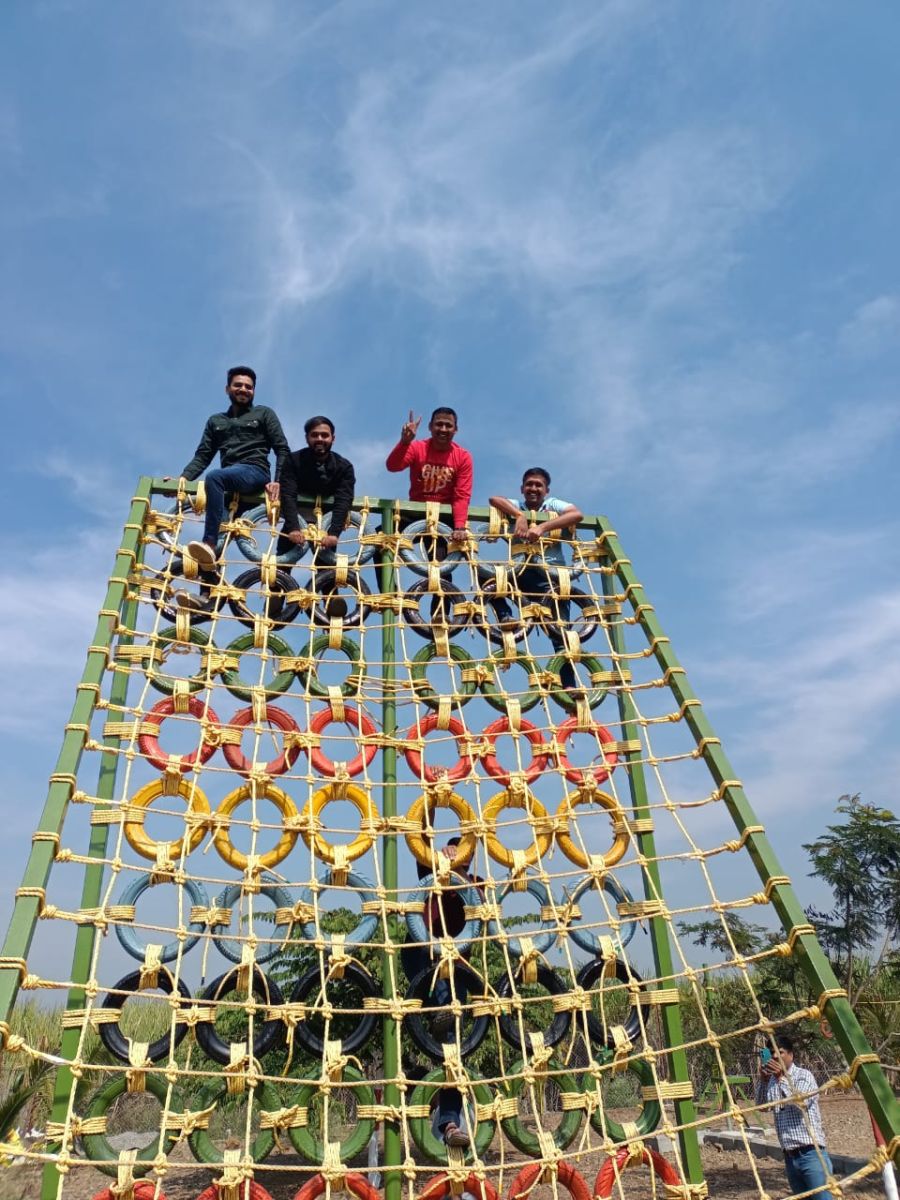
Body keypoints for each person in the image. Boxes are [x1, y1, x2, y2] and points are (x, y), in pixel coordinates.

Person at [401, 837, 480, 1149]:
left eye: (469, 851)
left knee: (452, 1046)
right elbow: (420, 832)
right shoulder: (432, 871)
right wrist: (441, 860)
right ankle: (436, 1013)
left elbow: (482, 904)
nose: (464, 855)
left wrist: (458, 873)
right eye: (458, 849)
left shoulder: (477, 884)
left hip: (455, 967)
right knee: (442, 1016)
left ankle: (448, 1123)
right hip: (422, 956)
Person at [175, 366, 290, 570]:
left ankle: (208, 542)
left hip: (255, 472)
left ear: (253, 391)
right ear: (227, 389)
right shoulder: (216, 421)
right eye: (238, 385)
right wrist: (183, 478)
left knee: (214, 478)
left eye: (248, 387)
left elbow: (282, 449)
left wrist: (278, 481)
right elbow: (203, 455)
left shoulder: (263, 413)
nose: (243, 389)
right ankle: (208, 580)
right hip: (230, 482)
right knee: (216, 545)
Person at [487, 468, 583, 688]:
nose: (533, 488)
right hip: (521, 572)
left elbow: (576, 514)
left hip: (551, 576)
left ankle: (569, 686)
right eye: (529, 484)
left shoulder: (552, 505)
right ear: (522, 489)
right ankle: (505, 617)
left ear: (546, 490)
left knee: (560, 633)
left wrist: (542, 527)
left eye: (538, 485)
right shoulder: (517, 506)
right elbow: (494, 499)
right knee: (490, 581)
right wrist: (519, 516)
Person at [756, 1035, 832, 1199]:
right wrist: (763, 1081)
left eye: (780, 1052)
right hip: (790, 1157)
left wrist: (780, 1078)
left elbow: (800, 1104)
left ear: (791, 1054)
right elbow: (762, 1106)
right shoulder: (772, 1081)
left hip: (811, 1154)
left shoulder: (803, 1076)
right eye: (771, 1052)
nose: (775, 1056)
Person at [385, 408, 473, 544]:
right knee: (381, 540)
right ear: (430, 427)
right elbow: (393, 466)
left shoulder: (463, 457)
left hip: (444, 517)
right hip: (415, 514)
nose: (443, 429)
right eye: (439, 424)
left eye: (448, 425)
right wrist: (404, 442)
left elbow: (462, 495)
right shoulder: (417, 448)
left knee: (442, 556)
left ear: (455, 429)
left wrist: (460, 527)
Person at [270, 415, 356, 553]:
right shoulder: (293, 461)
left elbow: (344, 500)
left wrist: (334, 533)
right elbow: (288, 495)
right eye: (314, 435)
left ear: (333, 438)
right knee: (282, 561)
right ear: (307, 438)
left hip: (325, 524)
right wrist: (293, 528)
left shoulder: (344, 467)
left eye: (324, 435)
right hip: (296, 518)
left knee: (326, 565)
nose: (320, 439)